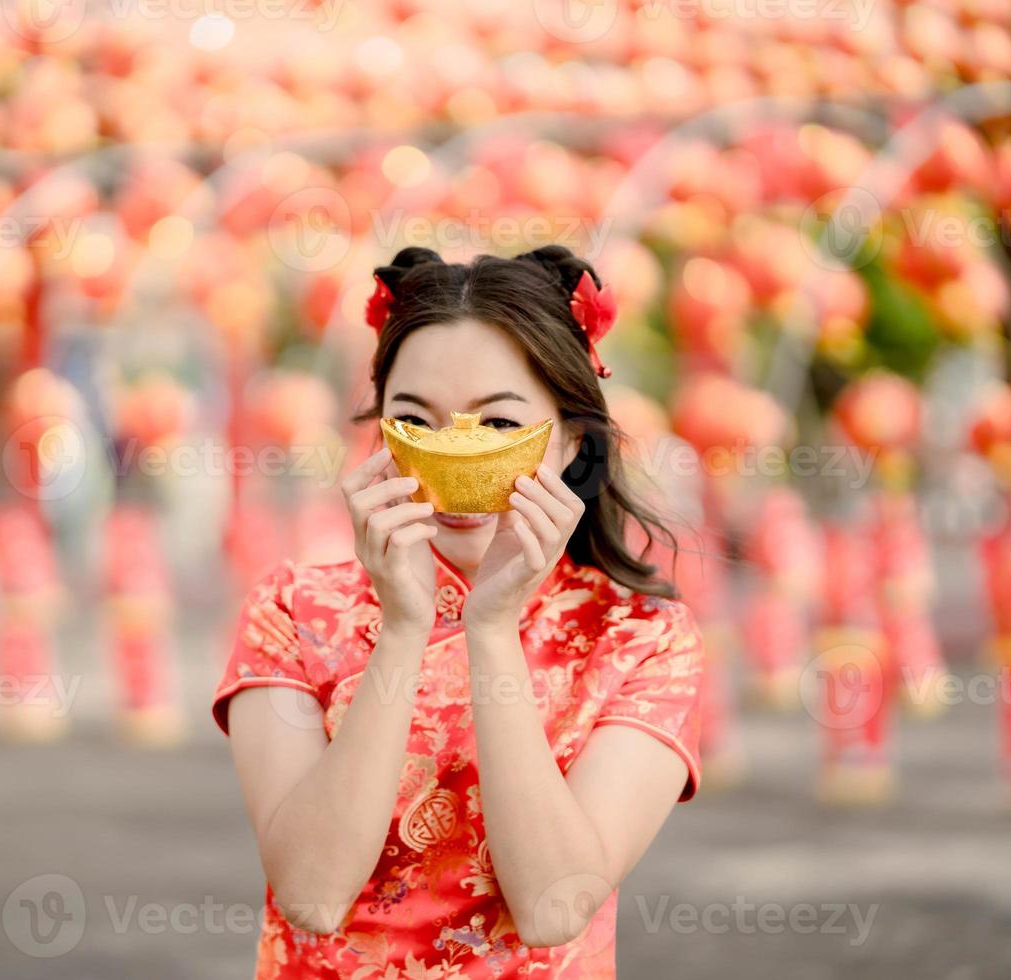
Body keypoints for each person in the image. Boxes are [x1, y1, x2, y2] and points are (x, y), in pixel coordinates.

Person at [213, 246, 705, 978]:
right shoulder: (293, 609)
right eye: (417, 420)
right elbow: (311, 894)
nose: (456, 456)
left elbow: (551, 908)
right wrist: (404, 629)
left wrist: (491, 631)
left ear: (572, 440)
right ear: (380, 432)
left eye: (501, 425)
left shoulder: (641, 640)